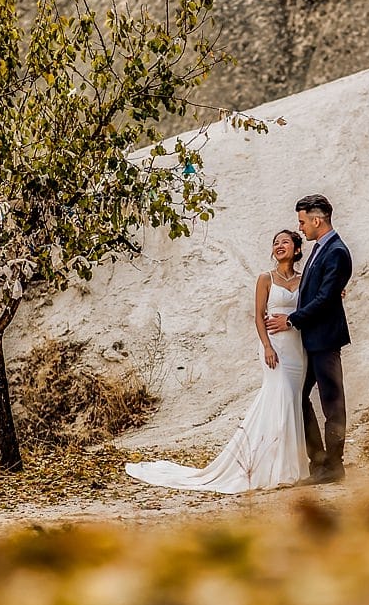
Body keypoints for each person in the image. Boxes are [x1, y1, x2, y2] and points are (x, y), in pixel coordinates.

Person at [125, 230, 310, 493]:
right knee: (279, 396)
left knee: (292, 400)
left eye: (285, 242)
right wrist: (267, 346)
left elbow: (316, 300)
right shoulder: (265, 279)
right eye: (275, 243)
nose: (279, 246)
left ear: (297, 249)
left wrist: (338, 292)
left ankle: (290, 465)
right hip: (275, 347)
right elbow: (258, 317)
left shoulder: (305, 279)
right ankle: (272, 468)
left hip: (296, 346)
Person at [266, 194, 352, 484]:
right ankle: (318, 461)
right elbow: (314, 288)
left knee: (332, 402)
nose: (300, 227)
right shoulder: (320, 249)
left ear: (316, 220)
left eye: (302, 222)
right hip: (312, 340)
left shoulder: (336, 251)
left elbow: (325, 298)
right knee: (300, 396)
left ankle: (333, 466)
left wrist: (291, 319)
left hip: (325, 339)